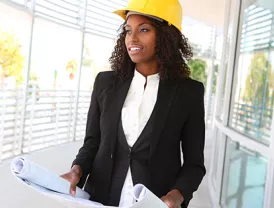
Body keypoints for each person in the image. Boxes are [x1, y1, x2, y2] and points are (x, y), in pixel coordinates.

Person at [61, 0, 206, 207]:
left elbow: (194, 164)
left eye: (144, 29)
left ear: (166, 35)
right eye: (128, 31)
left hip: (155, 202)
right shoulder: (105, 83)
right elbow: (93, 142)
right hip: (102, 199)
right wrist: (77, 170)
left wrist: (177, 194)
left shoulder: (188, 93)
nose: (132, 38)